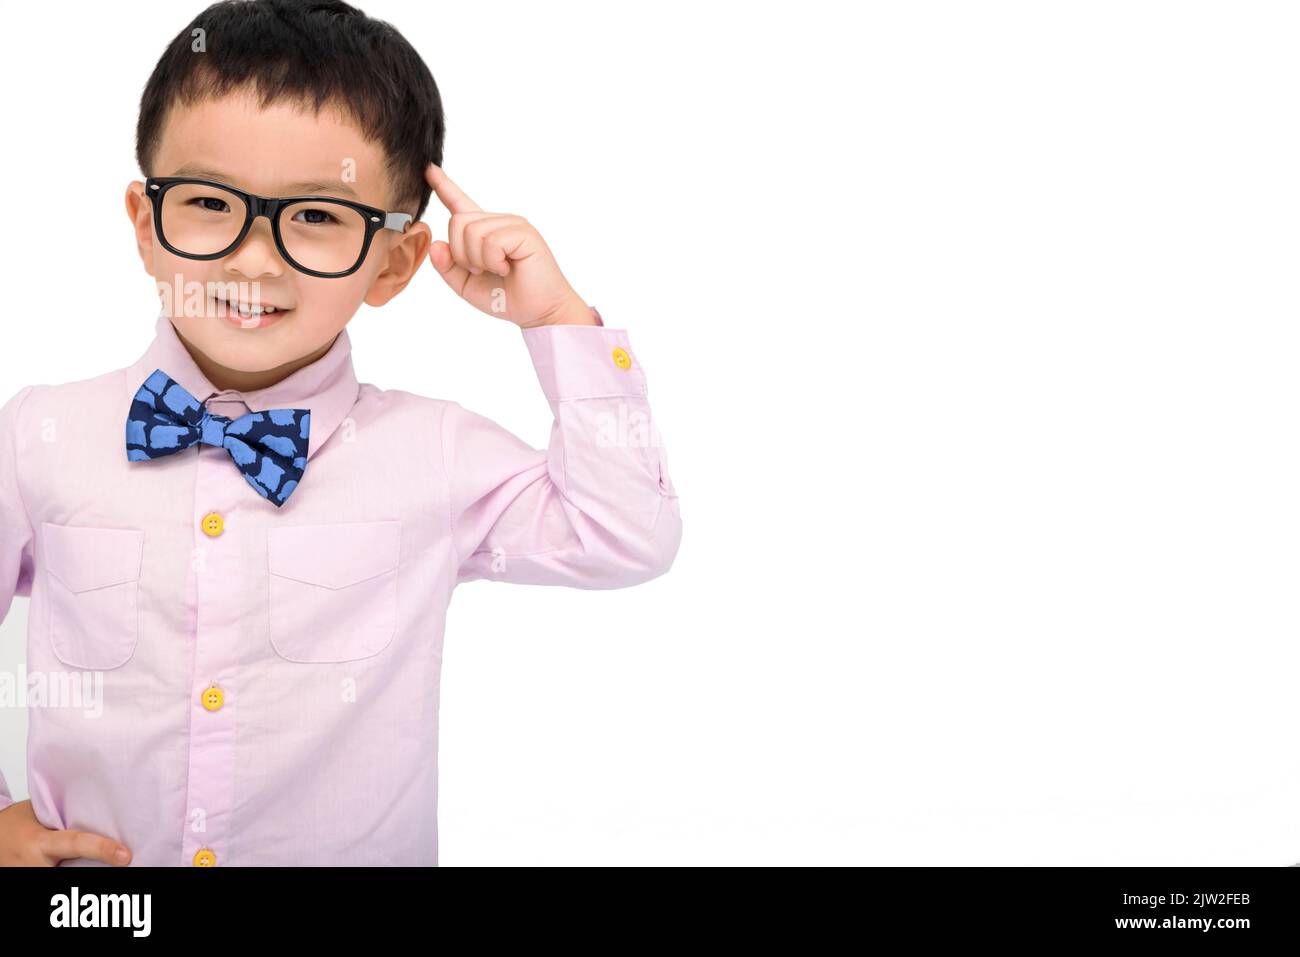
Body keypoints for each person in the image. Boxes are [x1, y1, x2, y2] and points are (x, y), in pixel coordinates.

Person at [0, 0, 680, 866]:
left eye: (318, 216)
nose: (254, 257)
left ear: (392, 264)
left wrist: (554, 319)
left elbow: (629, 534)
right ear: (145, 222)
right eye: (210, 202)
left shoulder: (433, 453)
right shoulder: (39, 435)